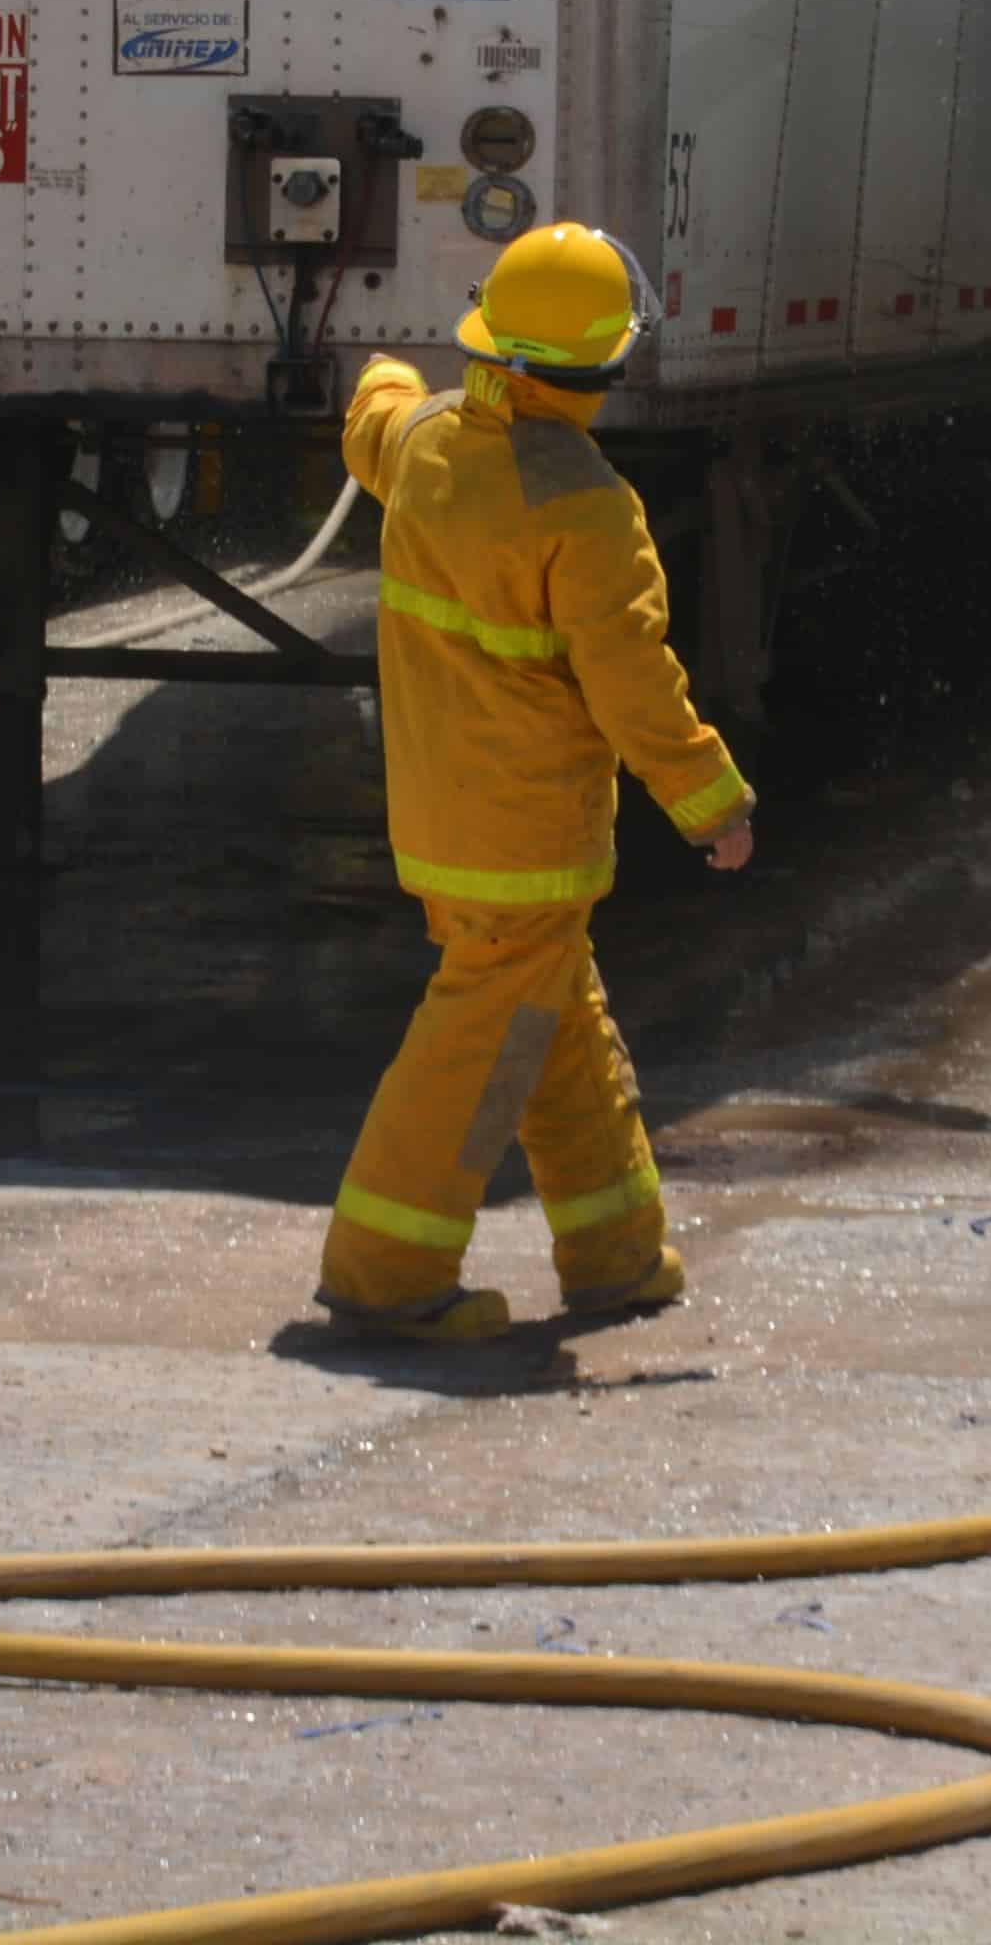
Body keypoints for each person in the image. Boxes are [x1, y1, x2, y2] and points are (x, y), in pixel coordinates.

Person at [313, 221, 754, 1342]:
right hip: (527, 841)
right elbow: (636, 686)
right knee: (475, 1051)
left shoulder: (422, 447)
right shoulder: (589, 509)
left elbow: (373, 414)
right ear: (605, 368)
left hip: (443, 823)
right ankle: (385, 1274)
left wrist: (387, 368)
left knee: (552, 1028)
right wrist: (713, 801)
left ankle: (617, 1255)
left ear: (494, 339)